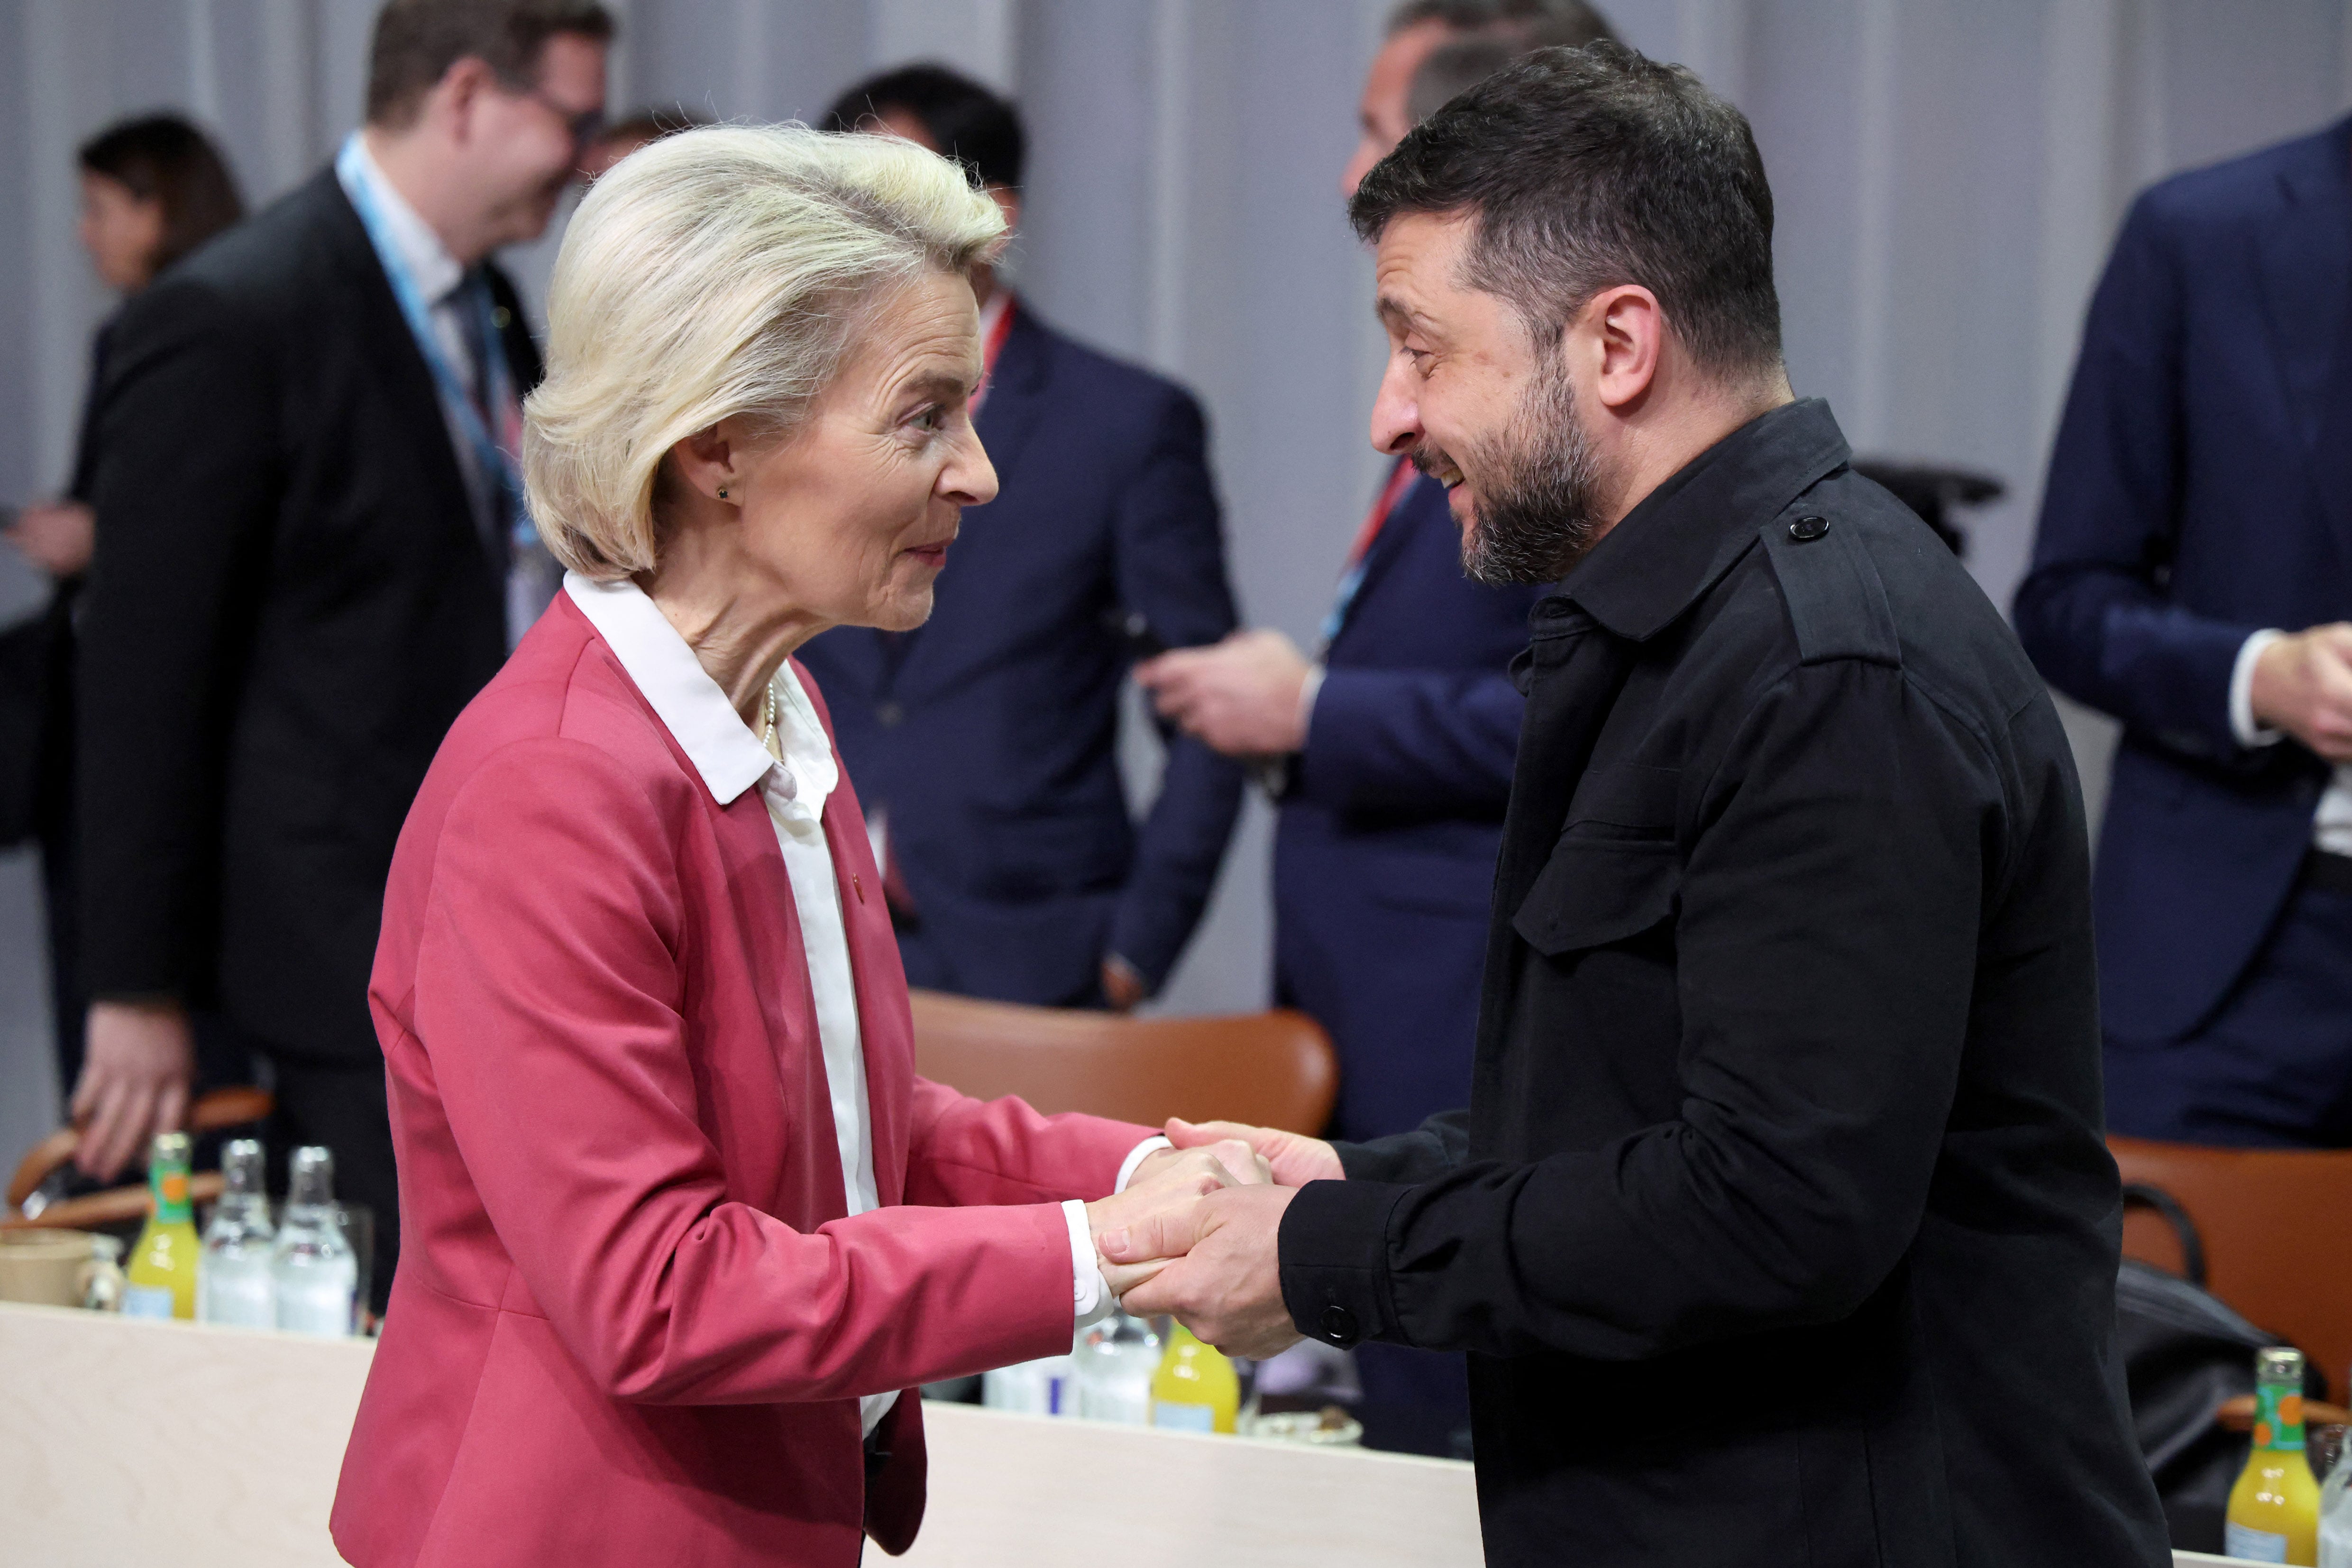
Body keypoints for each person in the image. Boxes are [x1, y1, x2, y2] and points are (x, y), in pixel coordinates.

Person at [1104, 46, 2171, 1568]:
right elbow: (1640, 1105)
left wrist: (1333, 1254)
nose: (1388, 419)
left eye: (1422, 349)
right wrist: (1365, 1178)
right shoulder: (1685, 626)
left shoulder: (1827, 667)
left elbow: (1772, 1206)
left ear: (1616, 345)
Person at [329, 123, 1263, 1567]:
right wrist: (1108, 1249)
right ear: (718, 446)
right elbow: (661, 1292)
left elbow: (855, 1130)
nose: (980, 474)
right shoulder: (553, 789)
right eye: (923, 417)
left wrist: (1159, 1168)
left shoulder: (772, 704)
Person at [70, 0, 613, 1308]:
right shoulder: (234, 313)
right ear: (470, 97)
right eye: (575, 119)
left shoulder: (480, 301)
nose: (588, 158)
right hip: (312, 966)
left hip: (459, 931)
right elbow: (142, 681)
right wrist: (134, 985)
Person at [1133, 0, 1611, 1452]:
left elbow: (1564, 710)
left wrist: (1315, 709)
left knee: (1449, 1414)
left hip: (1457, 981)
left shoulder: (1566, 437)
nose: (1351, 171)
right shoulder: (1455, 393)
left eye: (1374, 129)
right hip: (1373, 990)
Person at [799, 65, 1244, 1011]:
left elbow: (1211, 707)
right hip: (806, 933)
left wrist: (1135, 947)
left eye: (886, 197)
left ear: (993, 217)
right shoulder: (788, 406)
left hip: (1033, 957)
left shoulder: (1123, 423)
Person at [2014, 115, 2352, 1149]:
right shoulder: (2203, 234)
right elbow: (2067, 601)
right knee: (2167, 1310)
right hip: (2240, 961)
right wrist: (2262, 678)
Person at [2, 114, 243, 1103]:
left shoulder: (198, 331)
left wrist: (102, 541)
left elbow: (218, 533)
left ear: (158, 208)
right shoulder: (157, 330)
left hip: (170, 733)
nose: (83, 234)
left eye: (102, 208)